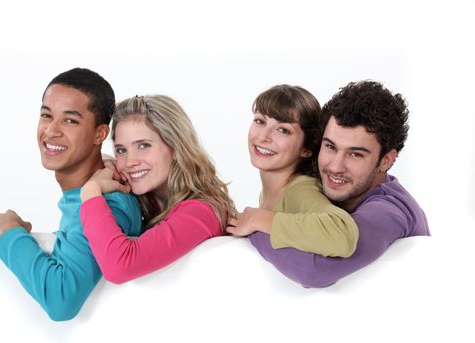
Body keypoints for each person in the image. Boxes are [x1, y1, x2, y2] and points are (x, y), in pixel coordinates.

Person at [0, 68, 143, 320]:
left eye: (70, 120)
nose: (51, 131)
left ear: (100, 134)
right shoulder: (95, 185)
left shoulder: (107, 206)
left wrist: (10, 234)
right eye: (47, 115)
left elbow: (61, 301)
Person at [248, 81, 430, 288]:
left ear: (386, 160)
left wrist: (255, 226)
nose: (335, 166)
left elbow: (315, 270)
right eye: (330, 147)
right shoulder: (323, 192)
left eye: (355, 154)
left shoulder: (387, 213)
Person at [79, 95, 235, 283]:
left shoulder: (202, 212)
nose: (129, 162)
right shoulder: (151, 200)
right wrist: (106, 164)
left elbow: (119, 266)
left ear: (176, 148)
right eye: (121, 150)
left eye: (143, 146)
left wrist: (90, 192)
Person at [226, 84, 359, 258]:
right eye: (260, 121)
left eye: (283, 130)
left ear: (307, 148)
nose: (263, 136)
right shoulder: (270, 193)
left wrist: (257, 219)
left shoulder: (300, 190)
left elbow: (342, 235)